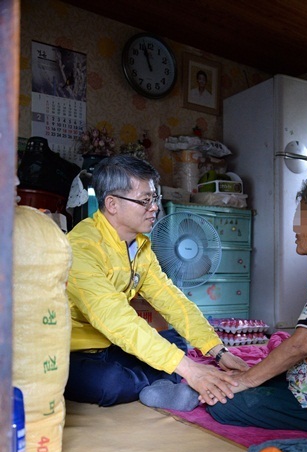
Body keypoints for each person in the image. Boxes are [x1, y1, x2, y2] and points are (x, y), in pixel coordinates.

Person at [65, 155, 248, 410]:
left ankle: (159, 383)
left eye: (155, 198)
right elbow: (115, 318)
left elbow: (171, 300)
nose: (154, 208)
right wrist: (189, 370)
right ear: (112, 204)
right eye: (145, 200)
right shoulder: (81, 247)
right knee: (111, 383)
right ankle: (160, 384)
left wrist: (217, 350)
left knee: (175, 343)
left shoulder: (140, 246)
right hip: (74, 352)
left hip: (113, 344)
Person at [207, 178, 307, 433]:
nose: (294, 227)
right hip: (304, 379)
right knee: (240, 381)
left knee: (224, 405)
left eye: (300, 217)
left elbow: (305, 343)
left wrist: (246, 381)